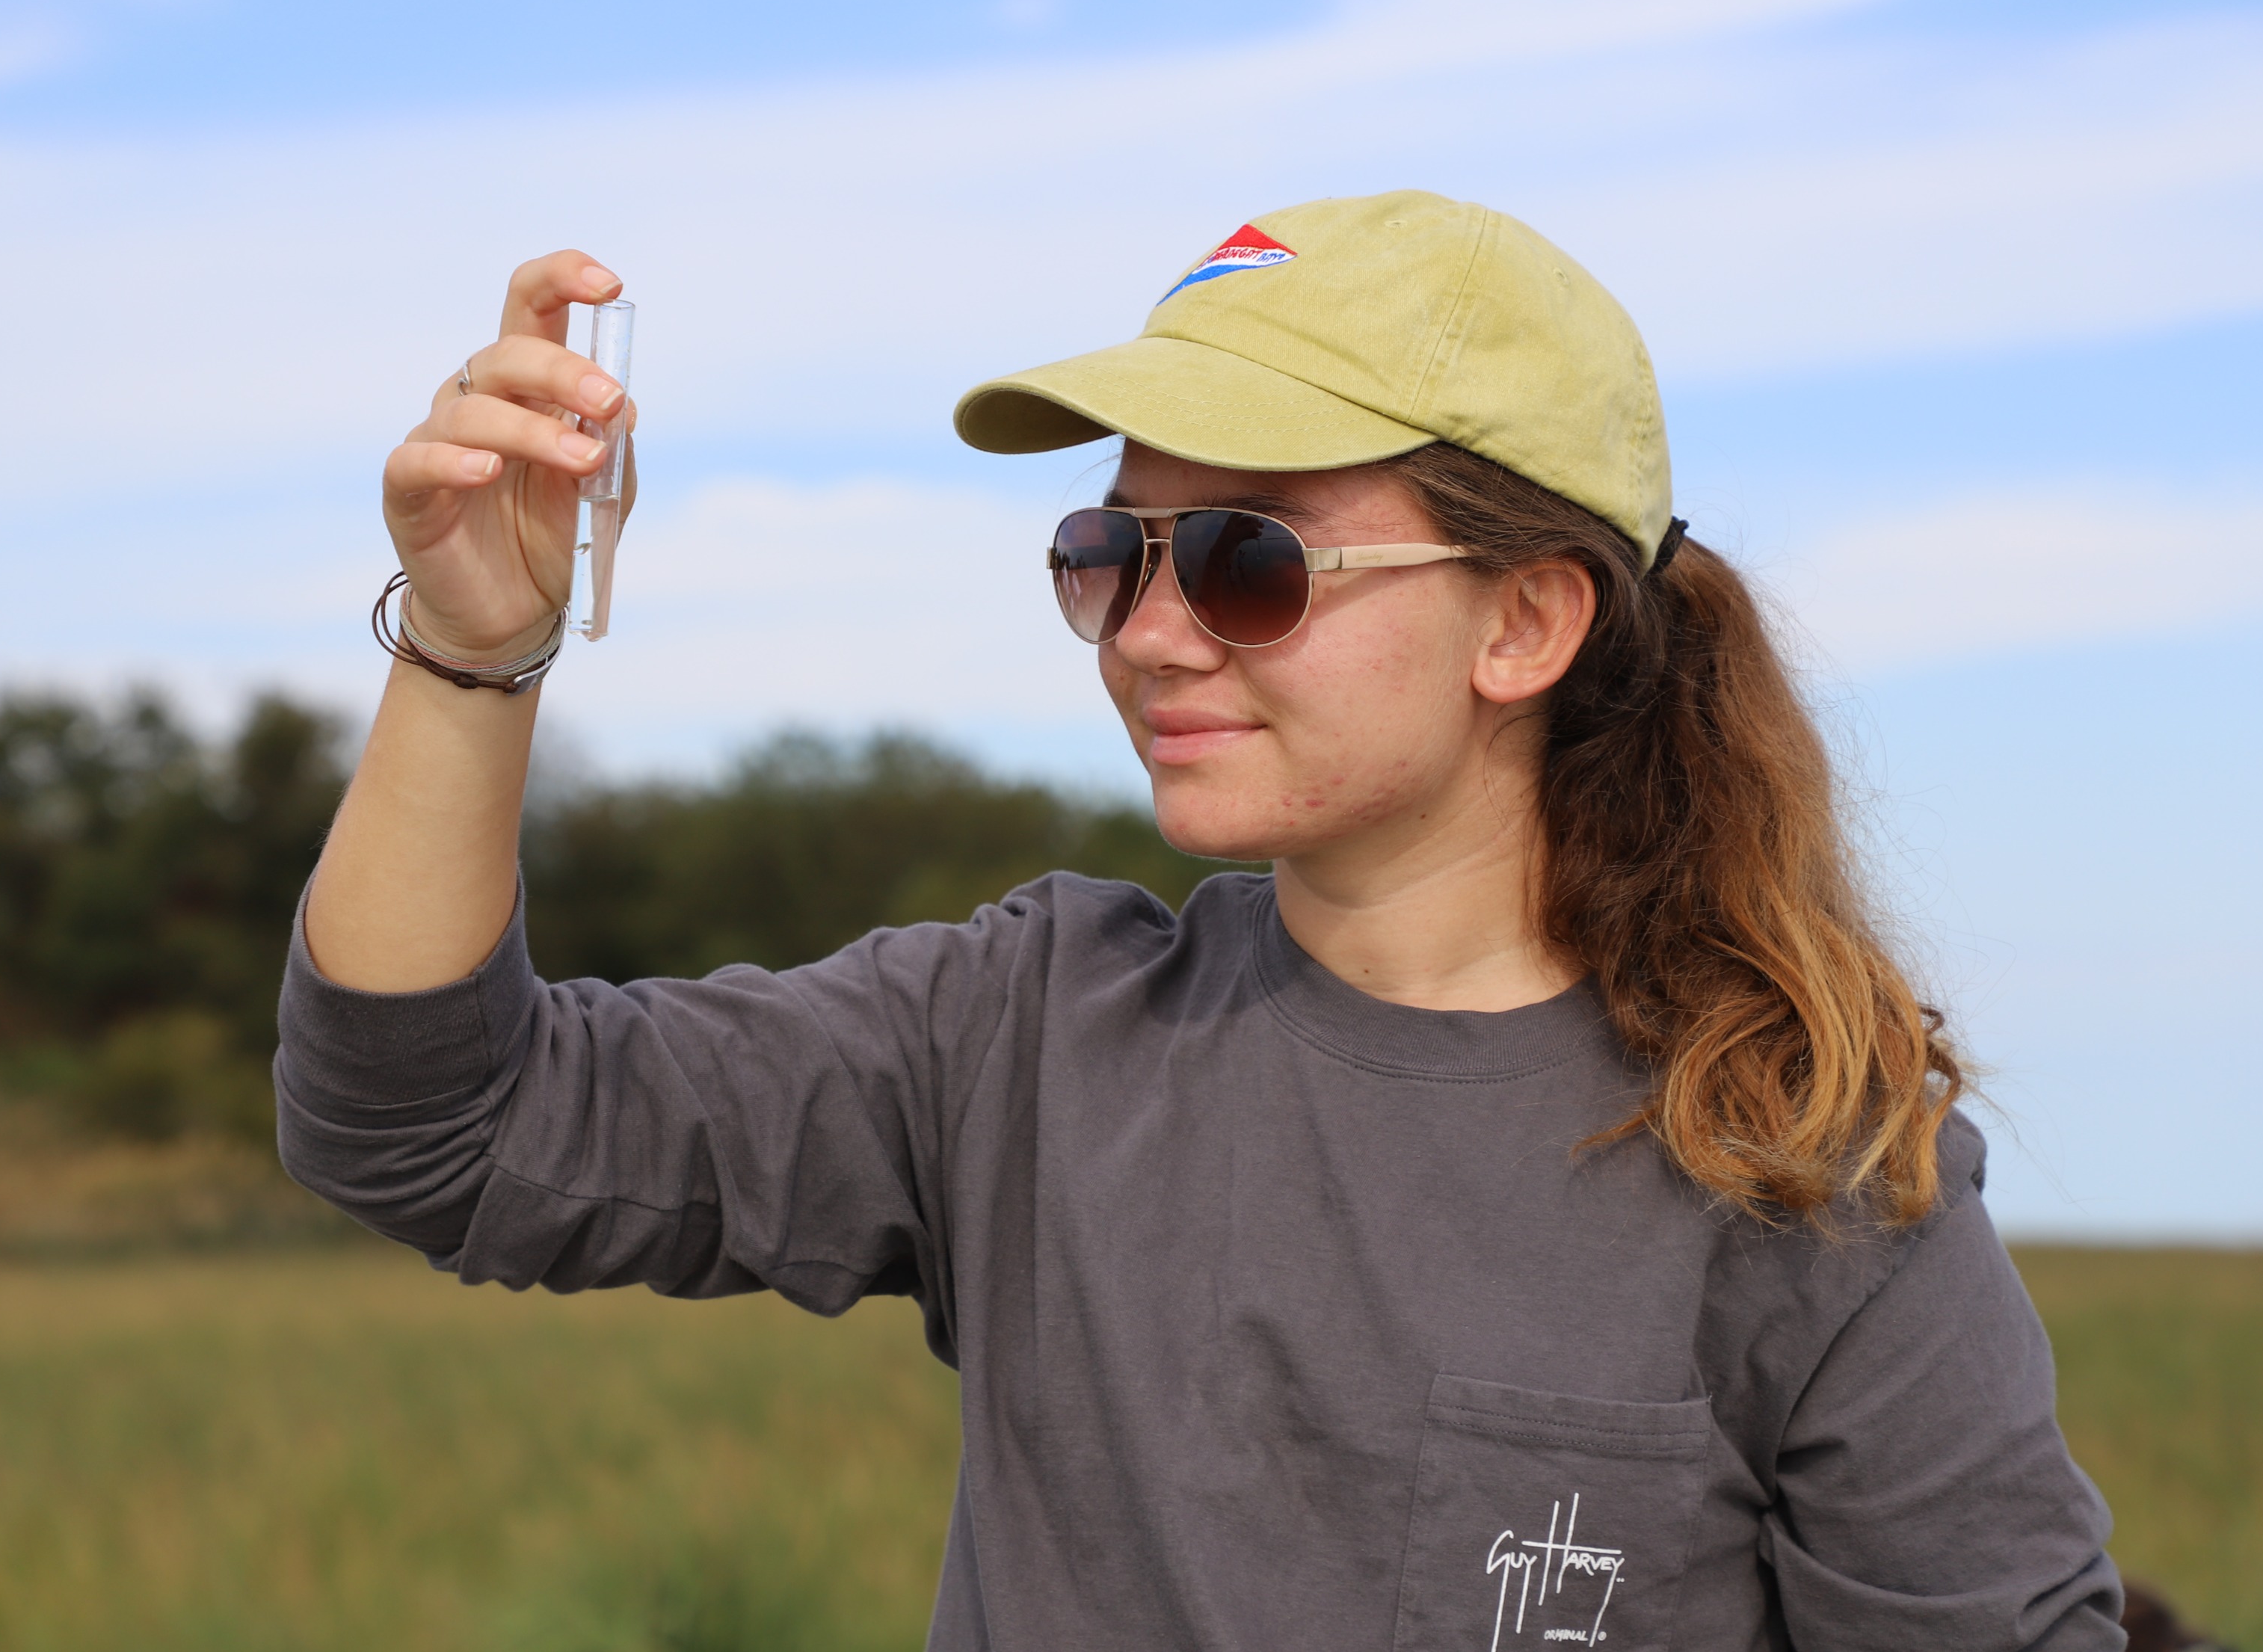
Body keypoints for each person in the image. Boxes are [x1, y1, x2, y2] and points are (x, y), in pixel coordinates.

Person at [279, 190, 2122, 1650]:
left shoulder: (1798, 1164)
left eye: (1251, 560)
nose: (1152, 630)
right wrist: (468, 648)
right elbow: (433, 1125)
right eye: (1111, 551)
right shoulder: (1023, 1033)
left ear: (1527, 626)